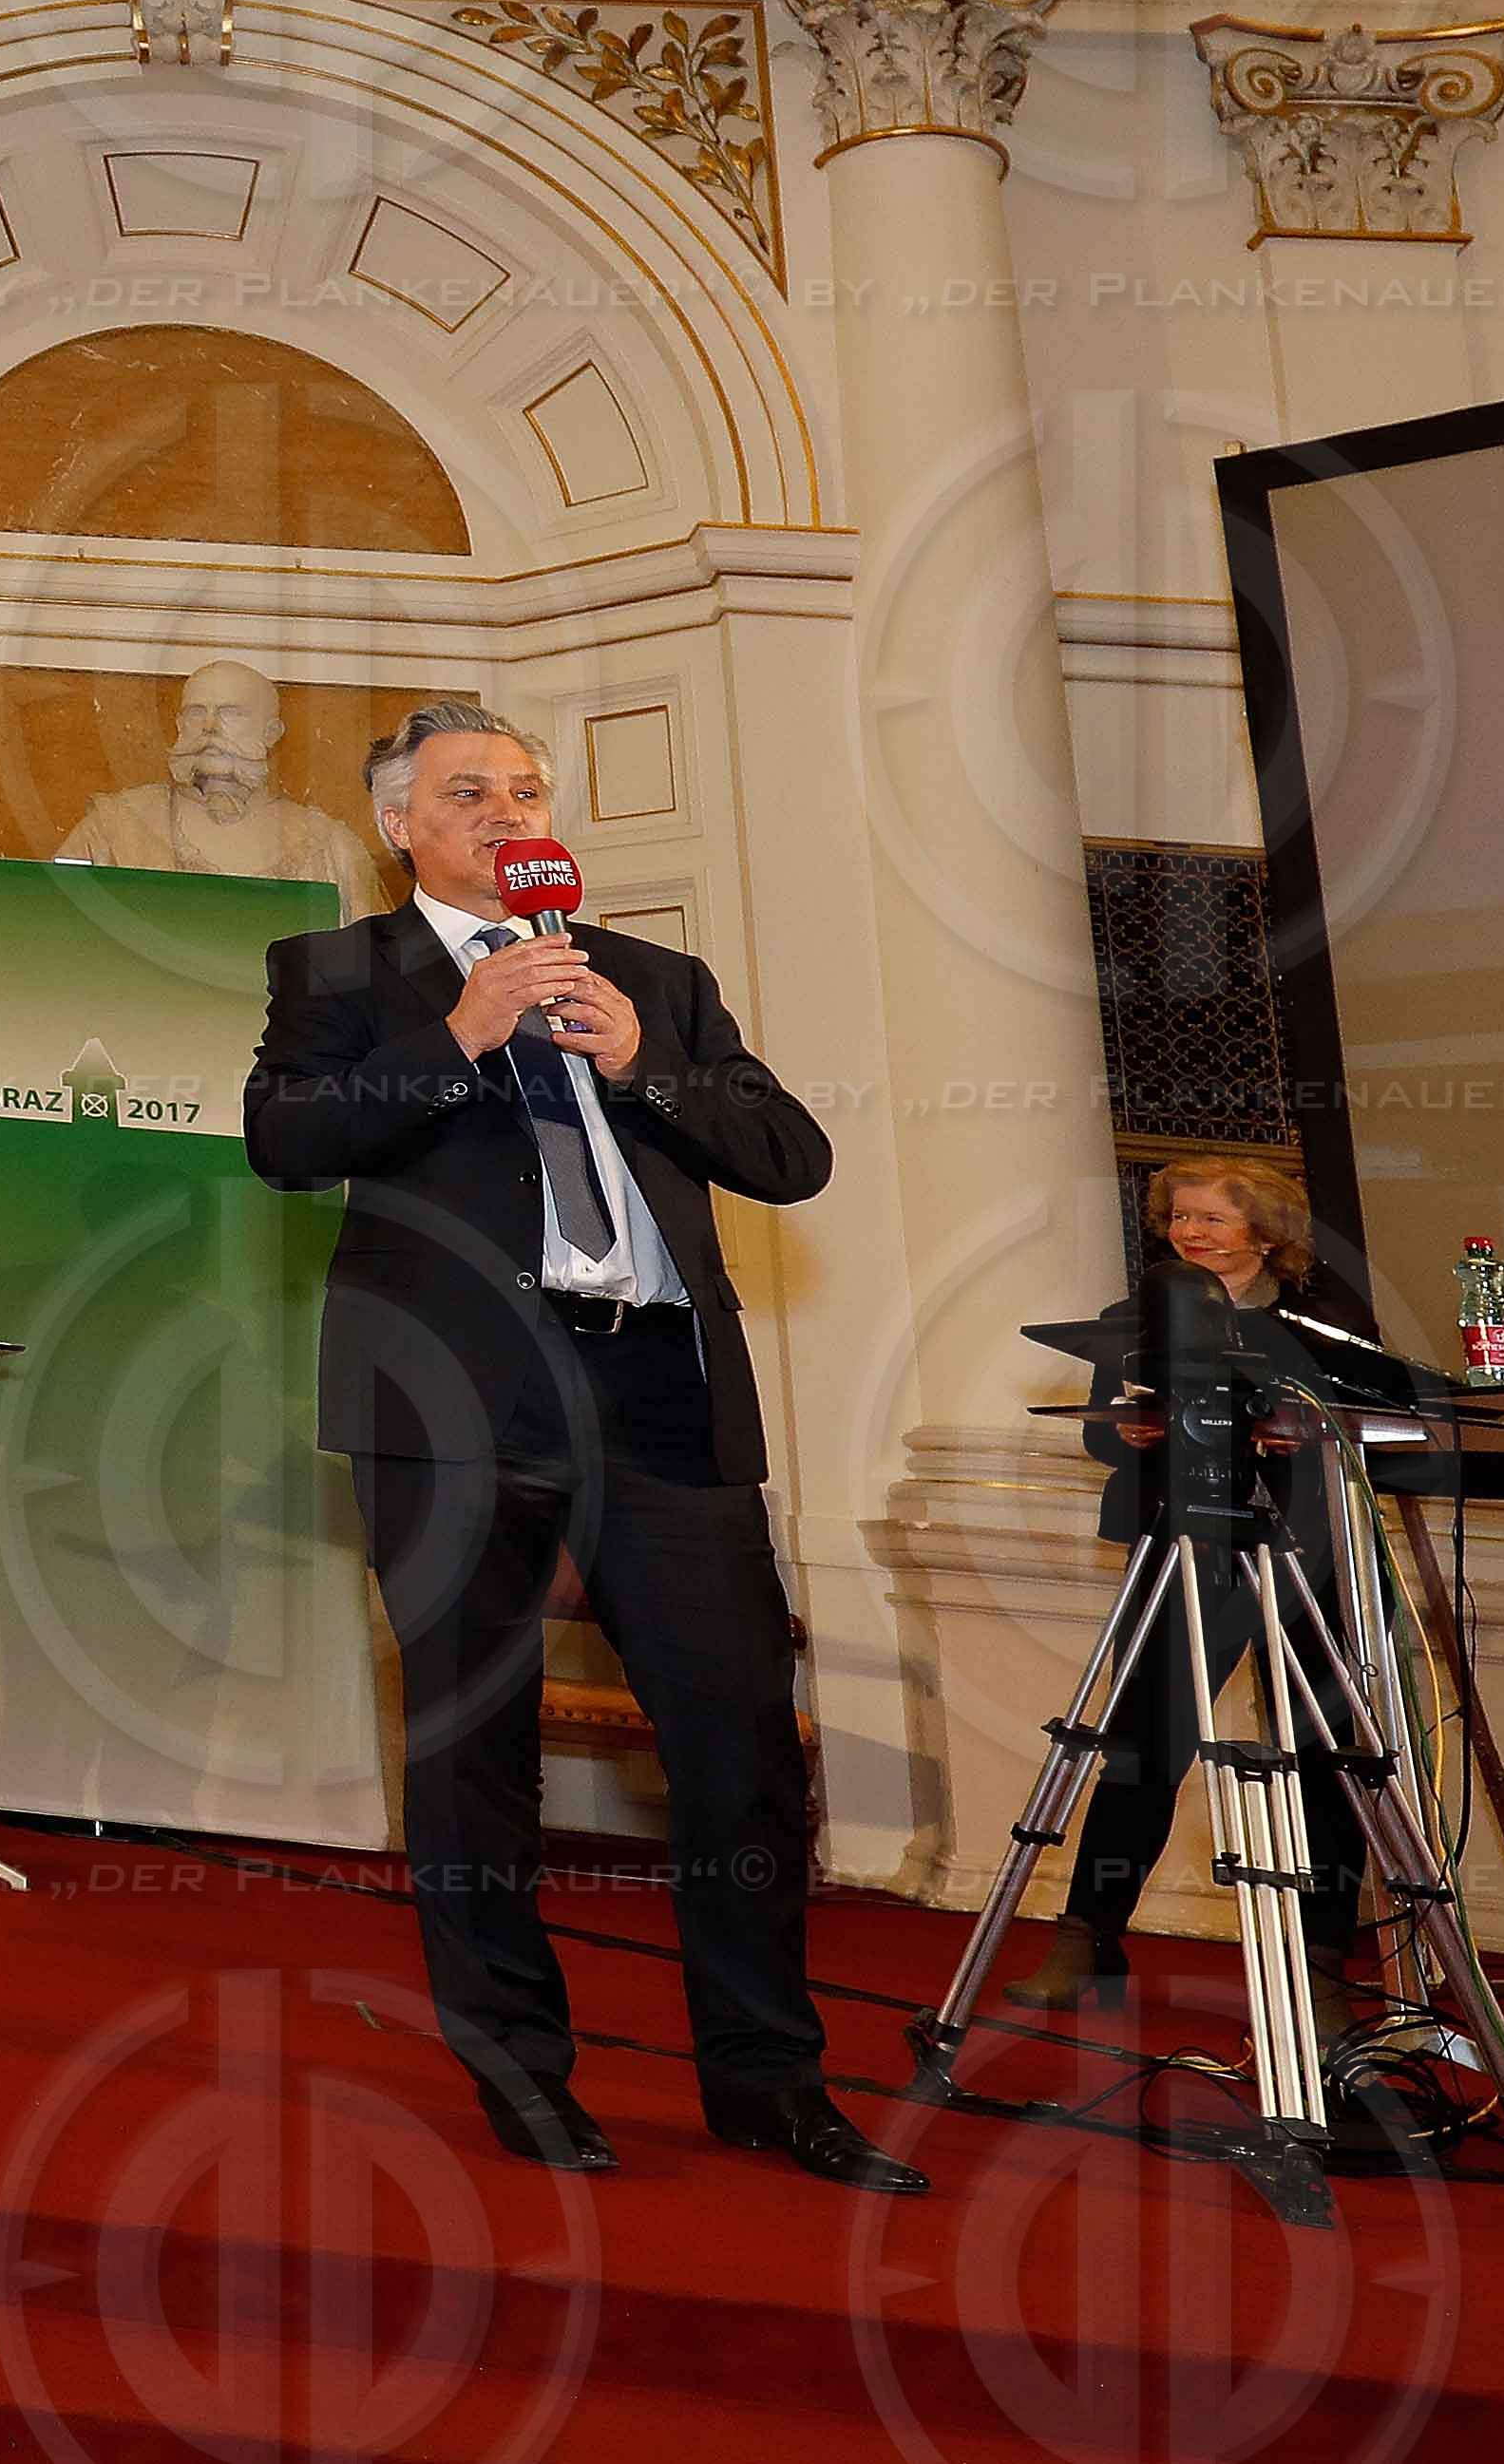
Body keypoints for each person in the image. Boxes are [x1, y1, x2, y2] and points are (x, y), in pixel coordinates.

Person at [243, 696, 918, 2196]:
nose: (506, 812)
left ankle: (769, 2080)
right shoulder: (343, 972)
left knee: (737, 1754)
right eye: (469, 791)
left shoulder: (654, 981)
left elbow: (790, 1158)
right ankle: (523, 2076)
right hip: (454, 1403)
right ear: (398, 824)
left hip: (657, 1393)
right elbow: (285, 1142)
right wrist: (460, 1036)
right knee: (475, 1754)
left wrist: (642, 1069)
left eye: (528, 789)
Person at [1005, 1159, 1396, 2006]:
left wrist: (1312, 1431)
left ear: (1265, 1235)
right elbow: (1104, 1441)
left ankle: (1324, 1959)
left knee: (1323, 1745)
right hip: (1181, 1547)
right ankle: (1087, 1939)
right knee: (1144, 1742)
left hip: (1308, 1553)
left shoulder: (1326, 1321)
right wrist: (1131, 1435)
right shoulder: (1136, 1320)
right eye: (1180, 1218)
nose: (1189, 1234)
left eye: (1212, 1220)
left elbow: (1374, 1424)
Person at [51, 660, 382, 888]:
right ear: (180, 726)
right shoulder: (115, 827)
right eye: (197, 712)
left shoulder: (329, 848)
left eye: (230, 713)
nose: (209, 727)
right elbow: (56, 921)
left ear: (271, 733)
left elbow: (370, 969)